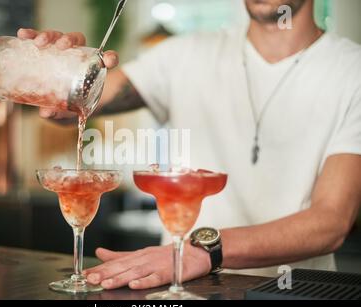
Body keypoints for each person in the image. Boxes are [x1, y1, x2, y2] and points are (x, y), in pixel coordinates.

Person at [18, 0, 361, 290]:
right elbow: (79, 102)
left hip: (296, 292)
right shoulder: (184, 54)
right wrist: (55, 73)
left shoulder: (351, 71)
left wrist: (204, 250)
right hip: (181, 293)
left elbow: (331, 222)